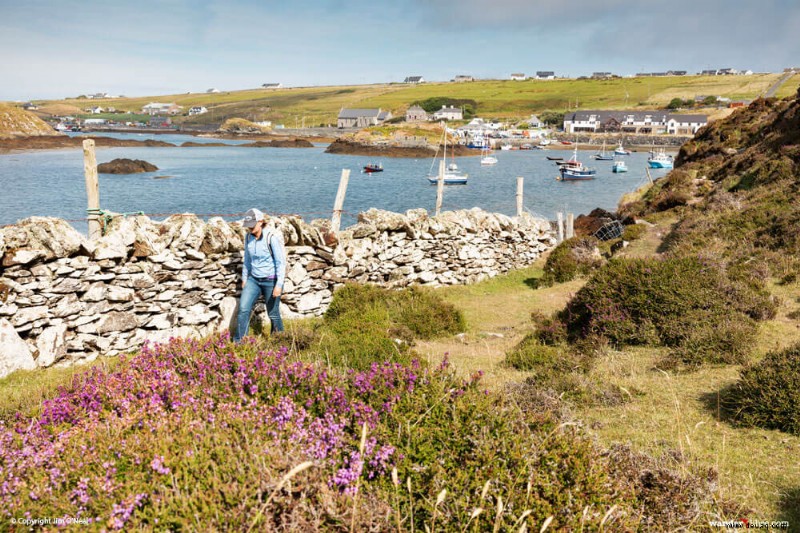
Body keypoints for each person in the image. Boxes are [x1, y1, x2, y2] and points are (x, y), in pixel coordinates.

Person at [234, 208, 286, 342]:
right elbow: (247, 259)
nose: (250, 229)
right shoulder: (248, 238)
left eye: (252, 225)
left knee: (273, 314)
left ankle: (280, 341)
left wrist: (278, 285)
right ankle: (239, 342)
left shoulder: (271, 238)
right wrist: (245, 279)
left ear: (261, 222)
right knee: (243, 310)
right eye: (248, 226)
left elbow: (280, 263)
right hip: (254, 280)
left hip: (271, 281)